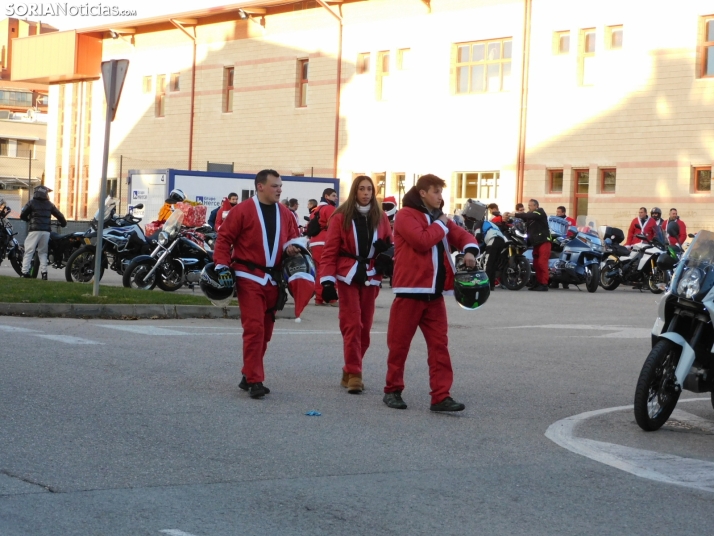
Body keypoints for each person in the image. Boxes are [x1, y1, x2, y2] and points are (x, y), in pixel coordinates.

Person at [383, 174, 479, 412]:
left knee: (439, 347)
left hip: (434, 294)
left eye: (441, 192)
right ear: (423, 193)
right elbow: (421, 241)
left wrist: (469, 249)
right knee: (399, 346)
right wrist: (441, 223)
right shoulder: (406, 215)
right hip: (410, 292)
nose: (440, 197)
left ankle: (441, 396)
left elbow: (461, 235)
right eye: (435, 192)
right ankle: (392, 390)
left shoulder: (439, 218)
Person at [213, 170, 301, 399]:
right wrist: (222, 266)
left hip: (274, 280)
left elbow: (292, 240)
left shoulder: (285, 213)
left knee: (266, 333)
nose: (279, 189)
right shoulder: (241, 210)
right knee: (254, 328)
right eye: (275, 186)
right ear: (260, 186)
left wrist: (293, 248)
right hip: (248, 277)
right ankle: (254, 380)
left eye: (280, 186)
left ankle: (248, 373)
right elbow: (224, 239)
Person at [320, 176, 392, 394]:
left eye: (369, 189)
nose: (366, 192)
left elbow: (393, 245)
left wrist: (386, 253)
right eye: (362, 189)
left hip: (371, 276)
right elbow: (330, 251)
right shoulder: (340, 216)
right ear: (355, 191)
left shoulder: (382, 217)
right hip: (347, 274)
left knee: (366, 328)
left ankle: (349, 369)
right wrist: (327, 281)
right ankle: (355, 374)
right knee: (352, 324)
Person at [20, 185, 67, 280]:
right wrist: (63, 224)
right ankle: (44, 273)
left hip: (34, 230)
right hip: (46, 231)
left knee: (29, 251)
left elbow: (23, 215)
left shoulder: (31, 203)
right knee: (43, 252)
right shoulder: (49, 204)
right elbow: (60, 215)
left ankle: (24, 272)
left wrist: (28, 219)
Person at [309, 188, 338, 305]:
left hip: (314, 242)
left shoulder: (315, 211)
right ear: (327, 196)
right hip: (325, 242)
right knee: (329, 269)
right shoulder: (330, 209)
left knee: (319, 271)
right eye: (334, 195)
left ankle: (319, 298)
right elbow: (334, 226)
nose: (336, 198)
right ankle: (331, 298)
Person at [515, 199, 550, 291]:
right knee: (536, 263)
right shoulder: (531, 217)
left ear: (536, 206)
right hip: (536, 242)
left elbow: (529, 215)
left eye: (530, 205)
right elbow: (525, 217)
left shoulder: (539, 212)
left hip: (544, 241)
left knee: (542, 262)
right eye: (528, 205)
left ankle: (544, 284)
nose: (529, 207)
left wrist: (514, 214)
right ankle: (538, 283)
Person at [474, 219, 506, 291]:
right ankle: (491, 285)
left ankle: (485, 285)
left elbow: (478, 236)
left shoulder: (478, 223)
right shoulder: (491, 224)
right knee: (493, 264)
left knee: (488, 264)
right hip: (501, 241)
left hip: (493, 239)